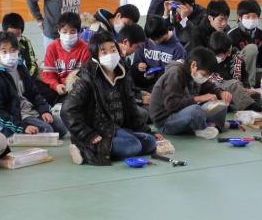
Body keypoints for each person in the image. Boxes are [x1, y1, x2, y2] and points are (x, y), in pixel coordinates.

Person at [63, 32, 157, 165]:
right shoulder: (86, 78)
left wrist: (146, 131)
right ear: (95, 55)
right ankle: (82, 148)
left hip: (116, 128)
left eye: (113, 50)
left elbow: (131, 107)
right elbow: (67, 110)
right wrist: (87, 134)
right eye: (104, 52)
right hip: (97, 130)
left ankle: (111, 147)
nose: (110, 55)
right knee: (133, 146)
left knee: (150, 142)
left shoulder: (122, 72)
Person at [0, 32, 67, 138]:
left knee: (62, 129)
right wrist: (22, 127)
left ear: (18, 51)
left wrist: (44, 111)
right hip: (16, 117)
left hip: (30, 111)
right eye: (4, 51)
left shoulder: (20, 66)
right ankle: (14, 132)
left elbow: (34, 92)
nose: (9, 54)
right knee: (48, 131)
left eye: (13, 50)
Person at [148, 47, 227, 139]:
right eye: (205, 75)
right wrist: (198, 98)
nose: (206, 77)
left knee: (221, 103)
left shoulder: (194, 73)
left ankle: (214, 125)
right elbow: (172, 105)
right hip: (166, 121)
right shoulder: (175, 73)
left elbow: (209, 86)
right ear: (193, 65)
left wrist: (221, 93)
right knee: (195, 110)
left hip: (181, 114)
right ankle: (202, 127)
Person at [40, 12, 90, 99]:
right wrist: (56, 85)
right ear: (59, 31)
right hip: (57, 88)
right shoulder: (52, 48)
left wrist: (73, 87)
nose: (68, 35)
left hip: (77, 89)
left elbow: (86, 75)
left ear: (78, 32)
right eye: (65, 31)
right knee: (38, 86)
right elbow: (49, 74)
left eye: (72, 32)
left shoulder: (85, 48)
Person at [207, 32, 262, 112]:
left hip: (237, 89)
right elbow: (213, 82)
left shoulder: (236, 56)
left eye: (229, 50)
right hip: (218, 89)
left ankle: (244, 106)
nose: (229, 54)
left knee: (255, 95)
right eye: (225, 53)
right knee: (233, 84)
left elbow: (244, 75)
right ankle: (254, 109)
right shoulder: (208, 60)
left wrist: (247, 88)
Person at [137, 16, 187, 90]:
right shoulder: (146, 41)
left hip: (166, 89)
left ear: (165, 33)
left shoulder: (178, 50)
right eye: (151, 39)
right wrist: (138, 66)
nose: (152, 42)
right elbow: (136, 64)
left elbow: (179, 77)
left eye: (156, 40)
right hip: (144, 87)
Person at [0, 13, 39, 80]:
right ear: (4, 32)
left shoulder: (25, 42)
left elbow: (32, 65)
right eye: (11, 35)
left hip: (18, 77)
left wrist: (27, 79)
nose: (14, 39)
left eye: (18, 35)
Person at [228, 0, 262, 86]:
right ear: (240, 17)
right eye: (247, 17)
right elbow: (228, 59)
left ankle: (251, 81)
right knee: (252, 48)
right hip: (236, 71)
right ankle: (249, 85)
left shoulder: (261, 34)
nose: (251, 20)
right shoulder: (232, 34)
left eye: (254, 17)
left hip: (253, 69)